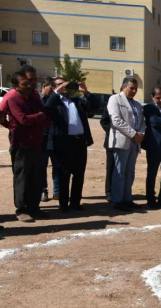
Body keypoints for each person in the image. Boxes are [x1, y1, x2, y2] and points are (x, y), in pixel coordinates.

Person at [1, 72, 49, 222]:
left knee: (37, 177)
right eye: (24, 84)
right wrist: (11, 126)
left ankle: (34, 207)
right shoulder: (12, 97)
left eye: (29, 82)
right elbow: (22, 120)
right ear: (15, 86)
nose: (29, 86)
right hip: (21, 144)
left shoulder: (34, 95)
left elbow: (45, 113)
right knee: (22, 177)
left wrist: (38, 117)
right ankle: (21, 209)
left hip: (37, 141)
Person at [44, 77, 96, 212]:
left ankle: (75, 202)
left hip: (79, 141)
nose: (64, 86)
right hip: (63, 142)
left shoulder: (76, 101)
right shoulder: (54, 101)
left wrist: (85, 92)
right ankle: (63, 204)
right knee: (64, 174)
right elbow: (46, 108)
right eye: (60, 84)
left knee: (79, 173)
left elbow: (92, 108)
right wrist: (56, 92)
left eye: (65, 83)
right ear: (54, 87)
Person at [106, 77, 145, 211]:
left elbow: (142, 122)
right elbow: (116, 120)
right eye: (131, 88)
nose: (134, 91)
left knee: (130, 173)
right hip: (122, 142)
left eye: (136, 88)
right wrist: (133, 134)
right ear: (124, 87)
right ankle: (117, 200)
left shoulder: (137, 104)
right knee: (119, 172)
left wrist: (141, 134)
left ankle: (127, 198)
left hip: (135, 143)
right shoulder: (114, 99)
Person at [40, 77, 58, 202]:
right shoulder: (38, 100)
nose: (52, 91)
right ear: (43, 87)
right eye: (49, 88)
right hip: (43, 137)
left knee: (57, 165)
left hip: (55, 137)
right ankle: (43, 191)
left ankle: (57, 191)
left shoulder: (57, 101)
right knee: (42, 166)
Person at [100, 107, 114, 202]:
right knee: (111, 168)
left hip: (128, 142)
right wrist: (114, 131)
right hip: (112, 142)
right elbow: (104, 121)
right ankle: (109, 192)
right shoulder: (112, 103)